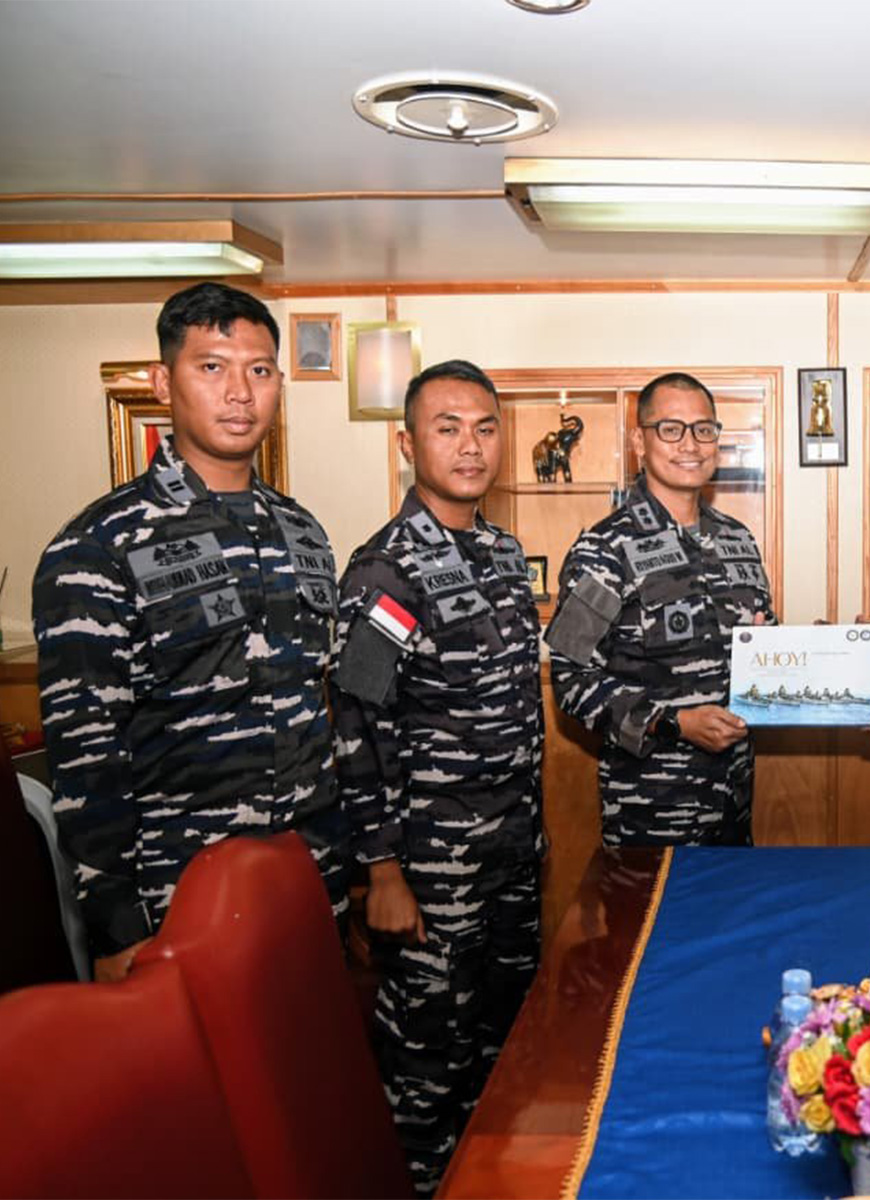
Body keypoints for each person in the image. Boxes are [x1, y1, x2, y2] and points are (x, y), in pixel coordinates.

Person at [32, 281, 347, 981]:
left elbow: (316, 703)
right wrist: (115, 927)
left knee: (311, 1049)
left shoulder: (301, 532)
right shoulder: (100, 546)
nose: (240, 392)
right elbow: (86, 755)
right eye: (212, 367)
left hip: (309, 880)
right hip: (179, 897)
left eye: (259, 370)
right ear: (161, 381)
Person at [330, 360, 545, 1195]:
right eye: (447, 428)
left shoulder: (500, 552)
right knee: (428, 1067)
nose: (470, 446)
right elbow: (359, 724)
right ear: (407, 443)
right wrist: (381, 871)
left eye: (485, 428)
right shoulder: (386, 571)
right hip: (430, 870)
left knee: (508, 1052)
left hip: (511, 854)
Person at [546, 371, 773, 846]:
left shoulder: (738, 540)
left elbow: (762, 645)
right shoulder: (603, 550)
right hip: (650, 813)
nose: (690, 444)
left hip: (733, 802)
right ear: (639, 443)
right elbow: (570, 680)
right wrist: (672, 723)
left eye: (703, 429)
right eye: (671, 429)